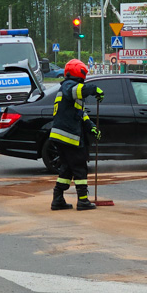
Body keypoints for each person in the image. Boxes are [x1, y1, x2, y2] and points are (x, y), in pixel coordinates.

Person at [48, 59, 105, 211]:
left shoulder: (72, 91)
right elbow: (81, 90)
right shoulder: (69, 86)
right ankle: (83, 200)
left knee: (66, 168)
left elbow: (81, 114)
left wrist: (91, 127)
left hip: (62, 137)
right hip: (68, 136)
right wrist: (95, 89)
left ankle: (58, 198)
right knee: (80, 166)